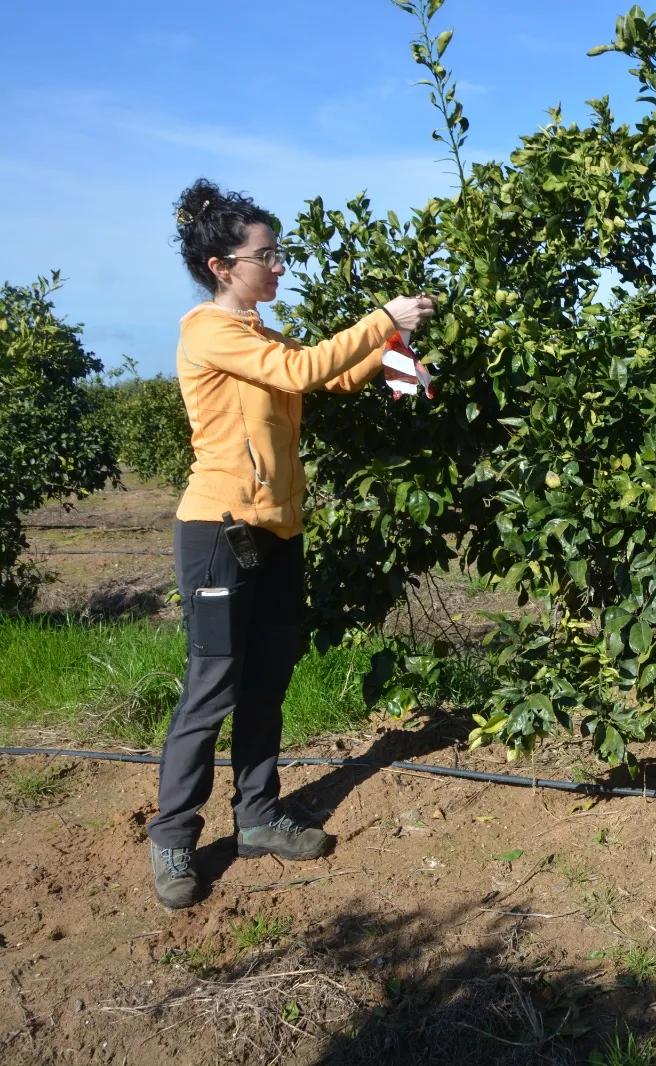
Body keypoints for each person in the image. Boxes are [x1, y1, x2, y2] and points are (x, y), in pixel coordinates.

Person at [149, 179, 436, 909]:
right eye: (266, 255)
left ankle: (257, 818)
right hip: (220, 531)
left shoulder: (261, 337)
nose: (278, 266)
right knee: (211, 689)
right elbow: (302, 370)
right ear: (222, 265)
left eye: (279, 253)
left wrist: (395, 355)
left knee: (268, 681)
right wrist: (381, 318)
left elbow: (326, 377)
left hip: (279, 530)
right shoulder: (209, 331)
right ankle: (176, 837)